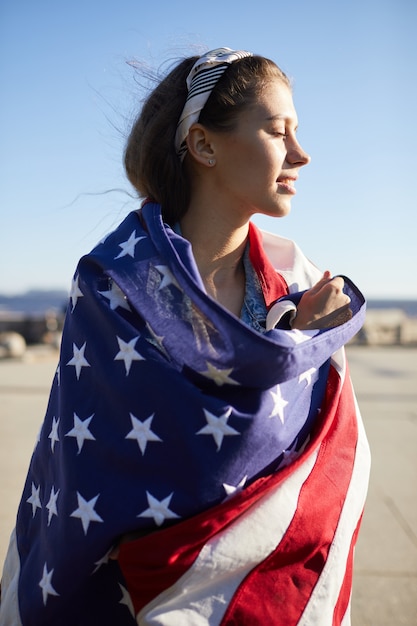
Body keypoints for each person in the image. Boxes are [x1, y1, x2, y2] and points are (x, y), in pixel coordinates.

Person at [0, 47, 370, 625]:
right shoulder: (113, 286)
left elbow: (327, 472)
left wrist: (299, 335)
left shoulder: (300, 287)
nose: (301, 153)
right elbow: (102, 468)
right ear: (204, 145)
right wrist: (296, 344)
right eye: (277, 131)